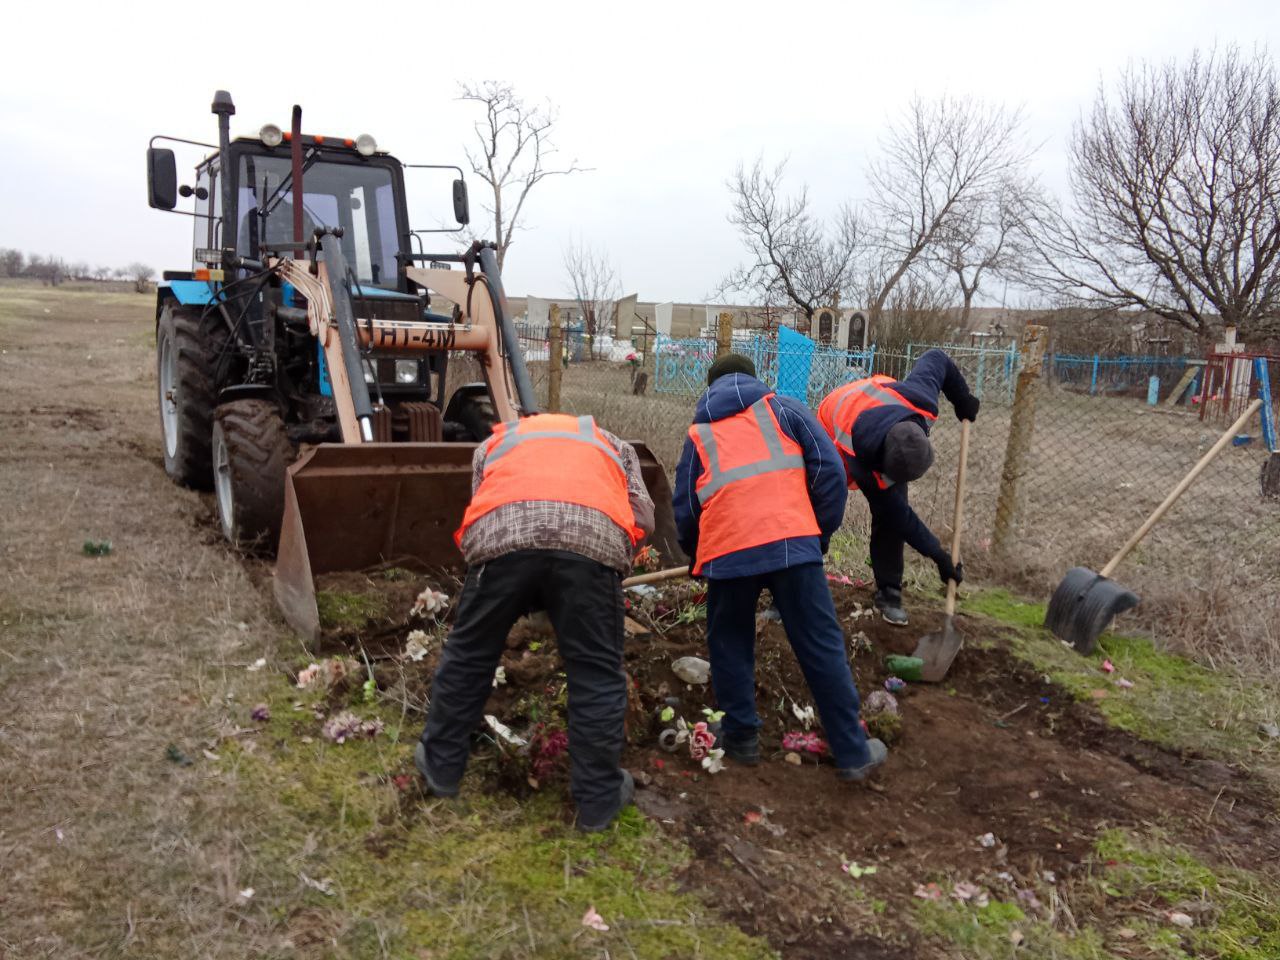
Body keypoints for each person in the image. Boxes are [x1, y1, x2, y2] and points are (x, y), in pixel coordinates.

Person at [415, 412, 655, 832]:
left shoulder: (495, 443)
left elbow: (483, 507)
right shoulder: (613, 444)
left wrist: (526, 589)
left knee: (471, 653)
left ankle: (441, 766)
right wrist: (600, 576)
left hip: (502, 540)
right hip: (591, 546)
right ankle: (598, 800)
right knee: (597, 674)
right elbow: (644, 520)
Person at [673, 354, 887, 781]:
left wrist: (701, 558)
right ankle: (852, 751)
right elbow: (828, 471)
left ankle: (741, 738)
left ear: (708, 389)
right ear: (755, 380)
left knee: (730, 641)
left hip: (728, 551)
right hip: (792, 542)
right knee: (819, 642)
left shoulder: (699, 435)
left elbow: (685, 508)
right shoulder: (785, 410)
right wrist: (816, 535)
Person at [816, 349, 980, 626]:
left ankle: (889, 591)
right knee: (821, 510)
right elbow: (901, 515)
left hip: (880, 413)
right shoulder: (861, 460)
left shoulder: (920, 399)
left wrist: (962, 399)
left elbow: (936, 358)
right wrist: (939, 556)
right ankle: (796, 582)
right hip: (831, 429)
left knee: (890, 518)